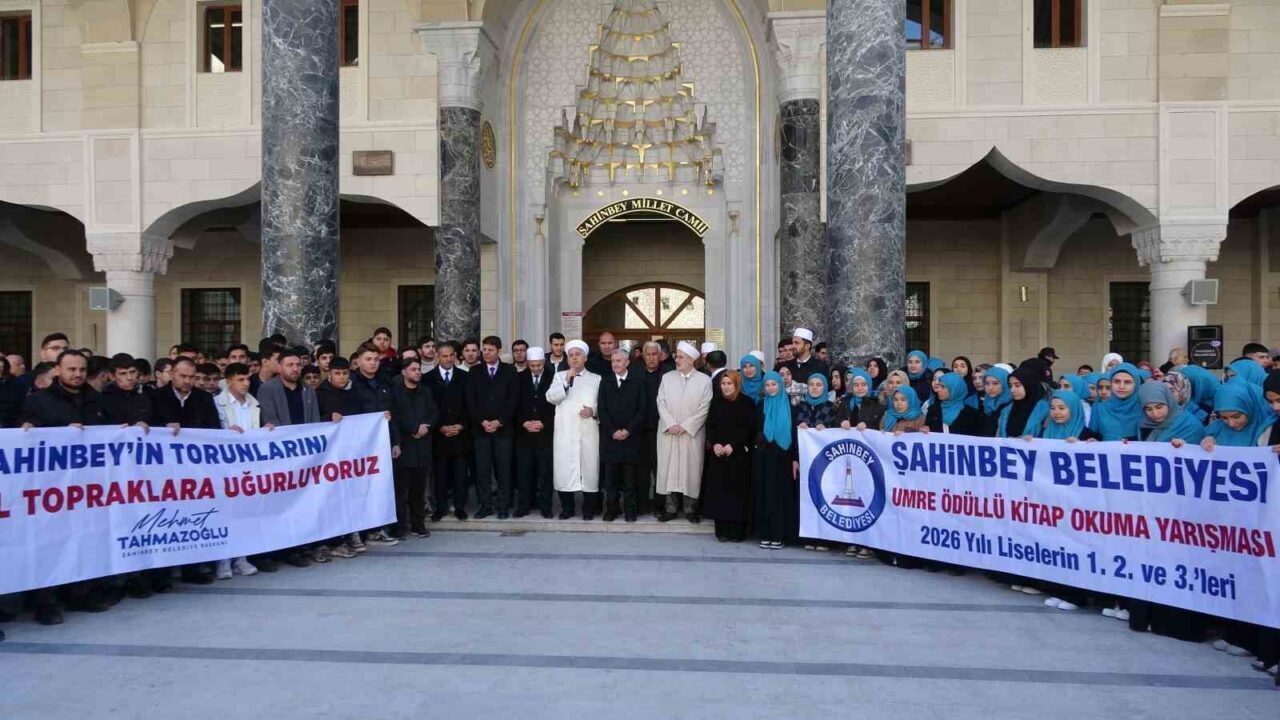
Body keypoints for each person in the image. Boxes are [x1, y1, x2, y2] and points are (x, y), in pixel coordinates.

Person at [19, 350, 111, 624]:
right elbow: (27, 433)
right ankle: (46, 601)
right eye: (71, 369)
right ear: (57, 370)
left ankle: (80, 593)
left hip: (87, 487)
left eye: (82, 369)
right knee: (49, 544)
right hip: (51, 490)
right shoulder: (39, 401)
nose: (77, 374)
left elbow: (112, 432)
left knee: (84, 539)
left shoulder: (97, 400)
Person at [149, 356, 222, 583]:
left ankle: (193, 568)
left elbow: (214, 430)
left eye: (192, 377)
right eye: (183, 376)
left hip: (194, 471)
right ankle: (160, 574)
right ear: (171, 374)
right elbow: (146, 428)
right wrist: (163, 428)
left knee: (193, 518)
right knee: (163, 520)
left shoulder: (203, 398)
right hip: (163, 472)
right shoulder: (155, 397)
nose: (187, 381)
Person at [212, 362, 267, 579]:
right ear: (229, 382)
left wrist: (267, 430)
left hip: (249, 468)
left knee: (245, 514)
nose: (245, 384)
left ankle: (241, 557)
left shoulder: (255, 404)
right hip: (226, 467)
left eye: (247, 379)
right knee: (226, 514)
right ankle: (223, 560)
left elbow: (258, 429)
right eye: (240, 380)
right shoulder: (217, 404)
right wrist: (226, 432)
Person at [656, 341, 714, 523]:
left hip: (691, 434)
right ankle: (670, 508)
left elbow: (704, 408)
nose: (677, 360)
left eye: (681, 357)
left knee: (691, 471)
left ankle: (691, 509)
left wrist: (686, 426)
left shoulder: (704, 380)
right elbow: (661, 402)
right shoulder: (667, 378)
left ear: (691, 360)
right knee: (669, 470)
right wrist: (671, 424)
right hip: (669, 432)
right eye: (676, 356)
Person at [348, 343, 398, 546]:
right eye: (368, 359)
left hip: (382, 444)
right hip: (358, 447)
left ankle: (376, 529)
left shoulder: (385, 382)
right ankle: (356, 531)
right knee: (358, 489)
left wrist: (396, 442)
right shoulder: (351, 384)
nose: (373, 363)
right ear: (358, 360)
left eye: (376, 359)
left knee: (379, 487)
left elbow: (394, 414)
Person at [546, 340, 602, 519]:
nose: (574, 358)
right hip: (565, 432)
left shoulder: (596, 379)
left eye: (578, 354)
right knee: (564, 470)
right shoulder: (559, 376)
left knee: (589, 471)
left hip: (588, 431)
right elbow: (551, 397)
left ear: (585, 358)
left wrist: (593, 411)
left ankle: (588, 509)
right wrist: (566, 381)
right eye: (571, 355)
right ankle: (567, 508)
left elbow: (603, 403)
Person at [467, 336, 519, 519]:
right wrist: (482, 421)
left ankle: (503, 506)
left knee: (503, 469)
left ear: (498, 351)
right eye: (485, 349)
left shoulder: (509, 370)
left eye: (490, 349)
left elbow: (513, 399)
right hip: (481, 431)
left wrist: (500, 421)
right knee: (482, 470)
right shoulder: (474, 371)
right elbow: (471, 400)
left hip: (503, 430)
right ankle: (485, 505)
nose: (486, 353)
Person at [701, 371, 755, 542]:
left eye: (729, 383)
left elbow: (748, 428)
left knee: (737, 493)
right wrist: (715, 443)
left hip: (738, 456)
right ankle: (722, 531)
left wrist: (734, 444)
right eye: (723, 384)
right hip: (718, 455)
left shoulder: (746, 403)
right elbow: (710, 425)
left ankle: (737, 532)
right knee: (720, 493)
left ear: (736, 385)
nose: (725, 387)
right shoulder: (716, 402)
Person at [597, 349, 648, 522]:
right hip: (610, 439)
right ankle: (611, 510)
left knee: (629, 479)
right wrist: (612, 431)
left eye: (619, 361)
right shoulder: (605, 381)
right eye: (613, 361)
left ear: (627, 362)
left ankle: (630, 511)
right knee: (610, 479)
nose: (615, 364)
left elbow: (642, 410)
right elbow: (602, 410)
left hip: (631, 438)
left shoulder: (638, 382)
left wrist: (628, 430)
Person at [390, 356, 438, 539]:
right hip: (405, 446)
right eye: (413, 369)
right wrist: (413, 429)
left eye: (419, 369)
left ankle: (418, 525)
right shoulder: (396, 393)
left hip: (423, 446)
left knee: (419, 490)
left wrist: (426, 427)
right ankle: (400, 527)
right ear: (404, 372)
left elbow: (434, 412)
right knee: (402, 491)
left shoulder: (426, 391)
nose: (417, 372)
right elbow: (396, 417)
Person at [425, 342, 472, 521]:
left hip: (460, 435)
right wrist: (439, 426)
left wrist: (461, 425)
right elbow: (427, 407)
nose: (448, 359)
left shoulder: (465, 376)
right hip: (439, 436)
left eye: (451, 355)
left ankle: (460, 506)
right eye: (444, 356)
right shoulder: (428, 378)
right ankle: (441, 507)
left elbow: (471, 405)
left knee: (461, 474)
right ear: (438, 357)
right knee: (440, 475)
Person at [753, 371, 797, 549]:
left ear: (780, 385)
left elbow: (794, 434)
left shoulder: (790, 406)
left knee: (780, 495)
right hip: (764, 455)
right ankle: (766, 533)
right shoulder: (761, 405)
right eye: (767, 385)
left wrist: (794, 458)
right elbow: (755, 429)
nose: (770, 388)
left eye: (774, 384)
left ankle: (779, 535)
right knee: (765, 493)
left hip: (783, 456)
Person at [515, 346, 555, 518]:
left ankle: (546, 507)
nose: (536, 368)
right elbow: (513, 404)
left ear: (544, 362)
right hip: (524, 435)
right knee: (524, 473)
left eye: (539, 365)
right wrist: (524, 423)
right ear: (528, 363)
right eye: (533, 365)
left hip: (545, 434)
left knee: (545, 473)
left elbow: (557, 406)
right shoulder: (518, 378)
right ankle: (523, 506)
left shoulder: (553, 377)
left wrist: (544, 423)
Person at [1089, 363, 1144, 441]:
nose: (1121, 386)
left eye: (1127, 382)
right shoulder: (1099, 409)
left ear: (1136, 384)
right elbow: (1092, 438)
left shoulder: (1145, 409)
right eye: (1116, 381)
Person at [1001, 363, 1050, 439]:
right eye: (1010, 386)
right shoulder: (1006, 410)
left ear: (1029, 385)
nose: (1012, 390)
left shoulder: (1045, 409)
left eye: (1017, 385)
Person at [977, 366, 1012, 437]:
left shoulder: (1011, 407)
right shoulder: (984, 405)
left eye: (995, 383)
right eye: (987, 383)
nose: (990, 388)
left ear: (1005, 384)